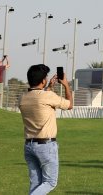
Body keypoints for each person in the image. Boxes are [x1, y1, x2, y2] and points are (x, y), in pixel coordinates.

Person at [19, 64, 73, 194]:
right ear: (43, 80)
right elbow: (69, 105)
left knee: (36, 183)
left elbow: (38, 100)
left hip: (29, 145)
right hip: (45, 146)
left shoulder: (23, 98)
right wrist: (66, 84)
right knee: (50, 182)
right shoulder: (47, 96)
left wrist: (48, 87)